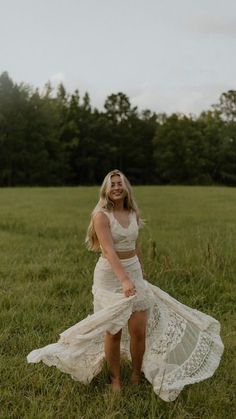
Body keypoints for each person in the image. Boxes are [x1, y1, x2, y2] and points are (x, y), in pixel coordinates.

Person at [27, 169, 224, 401]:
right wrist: (124, 280)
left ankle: (135, 375)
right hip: (110, 277)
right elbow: (109, 251)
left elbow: (135, 244)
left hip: (132, 272)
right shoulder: (101, 215)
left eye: (120, 183)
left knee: (139, 330)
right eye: (113, 184)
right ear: (106, 190)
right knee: (114, 331)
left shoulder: (132, 213)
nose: (117, 187)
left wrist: (139, 271)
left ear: (126, 187)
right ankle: (115, 380)